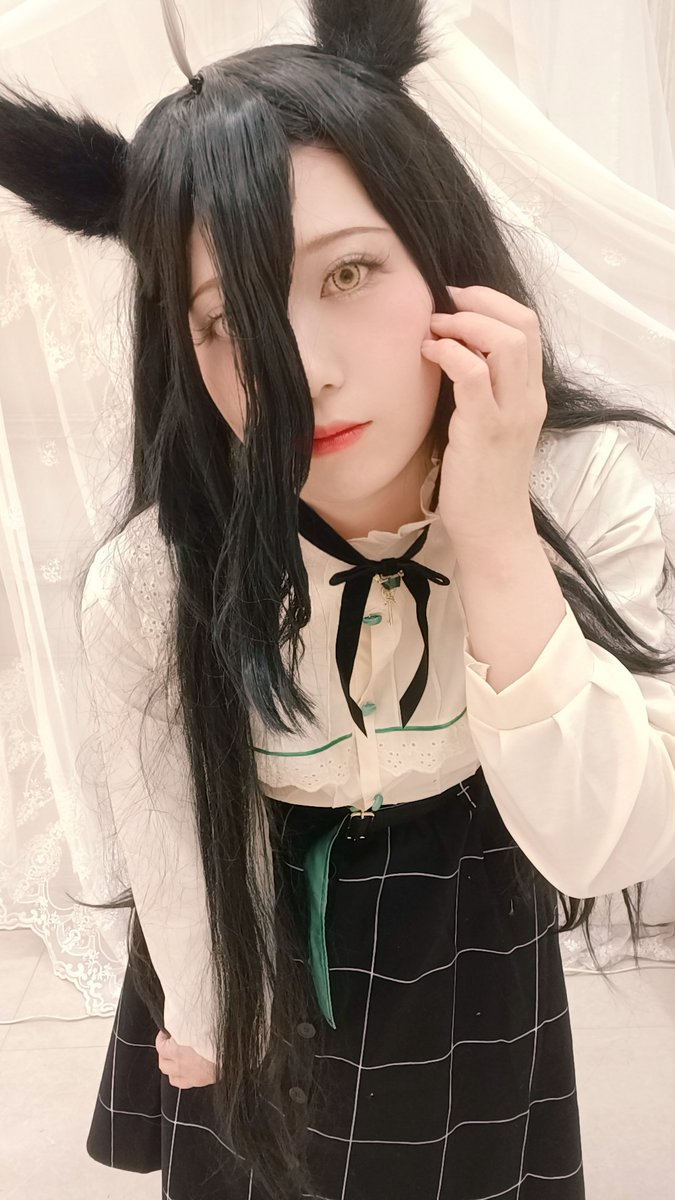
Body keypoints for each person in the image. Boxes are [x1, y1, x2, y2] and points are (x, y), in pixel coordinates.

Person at [2, 0, 675, 1196]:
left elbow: (605, 846)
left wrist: (494, 531)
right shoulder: (154, 576)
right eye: (227, 320)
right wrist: (213, 1013)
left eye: (349, 272)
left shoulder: (581, 484)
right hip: (247, 899)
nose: (303, 370)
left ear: (443, 253)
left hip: (466, 899)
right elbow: (171, 820)